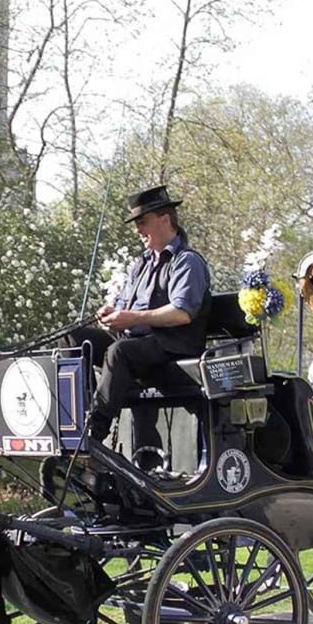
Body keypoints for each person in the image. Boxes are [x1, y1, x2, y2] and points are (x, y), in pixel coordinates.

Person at [72, 185, 210, 456]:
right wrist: (111, 315)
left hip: (172, 345)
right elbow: (125, 306)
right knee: (77, 339)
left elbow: (181, 314)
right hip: (139, 345)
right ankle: (75, 417)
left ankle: (93, 436)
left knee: (119, 352)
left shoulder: (186, 262)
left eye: (142, 222)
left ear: (165, 220)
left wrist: (132, 318)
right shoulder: (141, 264)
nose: (138, 230)